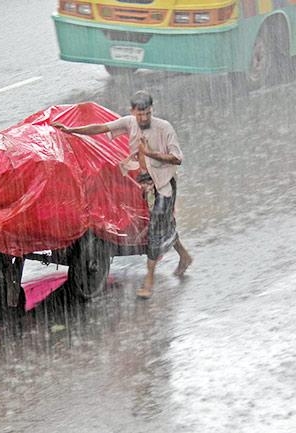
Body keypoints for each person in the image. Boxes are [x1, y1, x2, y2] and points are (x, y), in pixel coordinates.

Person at [52, 91, 192, 299]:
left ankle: (148, 282)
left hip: (163, 183)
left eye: (147, 113)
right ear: (132, 111)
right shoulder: (129, 122)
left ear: (152, 110)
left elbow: (177, 158)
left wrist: (151, 154)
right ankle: (184, 255)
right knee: (163, 223)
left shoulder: (164, 128)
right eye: (140, 114)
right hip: (145, 181)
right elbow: (100, 128)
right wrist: (71, 130)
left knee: (155, 227)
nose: (144, 118)